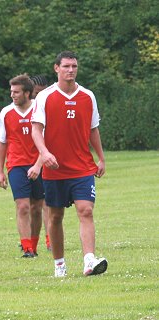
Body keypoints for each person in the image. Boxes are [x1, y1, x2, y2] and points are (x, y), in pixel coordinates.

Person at [31, 51, 108, 277]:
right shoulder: (45, 97)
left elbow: (93, 129)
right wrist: (44, 154)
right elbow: (36, 130)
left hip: (82, 166)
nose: (71, 70)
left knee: (86, 210)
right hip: (55, 169)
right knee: (55, 216)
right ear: (57, 68)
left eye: (74, 66)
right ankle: (59, 264)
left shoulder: (87, 96)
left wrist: (101, 158)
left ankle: (89, 261)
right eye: (66, 66)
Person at [0, 75, 44, 258]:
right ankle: (26, 248)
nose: (12, 95)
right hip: (16, 165)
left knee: (36, 207)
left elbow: (46, 140)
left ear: (27, 92)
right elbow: (2, 143)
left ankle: (34, 243)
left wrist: (38, 165)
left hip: (39, 164)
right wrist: (0, 171)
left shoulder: (39, 110)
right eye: (11, 92)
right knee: (22, 206)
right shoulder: (6, 112)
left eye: (16, 92)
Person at [30, 74, 51, 251]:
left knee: (47, 204)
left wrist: (39, 163)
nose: (39, 97)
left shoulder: (49, 106)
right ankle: (29, 243)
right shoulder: (20, 109)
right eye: (36, 93)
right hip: (24, 165)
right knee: (31, 206)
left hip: (46, 161)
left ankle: (50, 240)